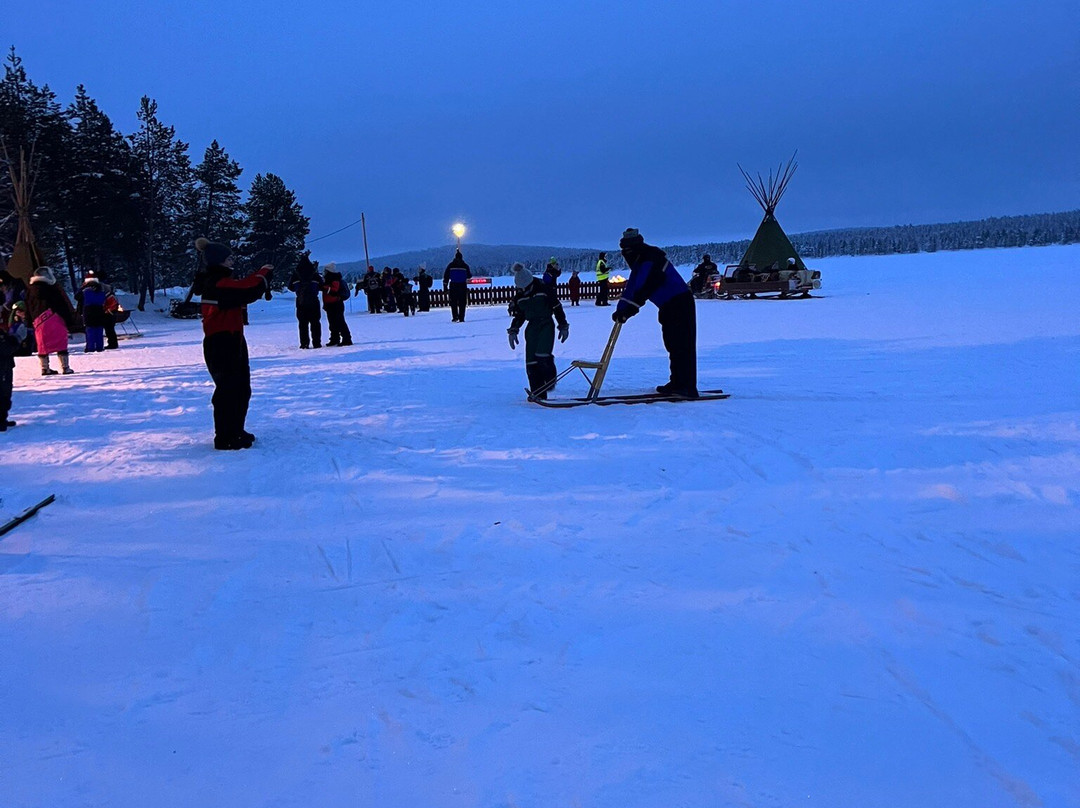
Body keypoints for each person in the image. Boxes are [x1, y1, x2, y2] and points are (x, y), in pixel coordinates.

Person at [192, 238, 272, 450]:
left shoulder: (219, 281)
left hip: (232, 339)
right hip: (221, 342)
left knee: (241, 388)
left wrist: (261, 275)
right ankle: (225, 436)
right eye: (228, 258)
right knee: (229, 389)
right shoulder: (217, 283)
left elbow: (244, 286)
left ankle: (235, 430)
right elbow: (247, 289)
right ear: (218, 261)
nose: (232, 261)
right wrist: (263, 274)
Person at [613, 228, 698, 398]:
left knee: (682, 345)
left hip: (679, 302)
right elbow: (632, 288)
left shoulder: (650, 259)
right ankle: (677, 382)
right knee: (672, 344)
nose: (626, 255)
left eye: (627, 251)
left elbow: (645, 287)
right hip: (667, 306)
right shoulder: (640, 261)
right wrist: (621, 309)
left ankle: (687, 386)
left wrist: (630, 309)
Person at [507, 262, 569, 400]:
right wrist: (513, 330)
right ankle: (538, 392)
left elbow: (557, 307)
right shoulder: (519, 296)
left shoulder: (543, 288)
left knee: (542, 355)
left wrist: (563, 325)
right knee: (531, 362)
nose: (524, 291)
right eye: (521, 288)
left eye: (526, 287)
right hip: (532, 328)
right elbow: (520, 315)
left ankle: (550, 381)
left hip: (546, 324)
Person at [26, 266, 78, 376]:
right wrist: (69, 321)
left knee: (42, 344)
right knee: (61, 342)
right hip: (55, 318)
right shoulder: (53, 289)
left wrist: (29, 321)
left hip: (38, 321)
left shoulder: (30, 291)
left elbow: (28, 307)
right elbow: (62, 305)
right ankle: (65, 367)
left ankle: (45, 368)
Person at [288, 253, 323, 348]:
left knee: (303, 324)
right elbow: (322, 286)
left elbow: (290, 287)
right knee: (315, 323)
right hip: (314, 301)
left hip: (301, 302)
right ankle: (317, 343)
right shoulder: (314, 274)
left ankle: (304, 344)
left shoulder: (296, 274)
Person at [321, 263, 353, 346]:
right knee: (332, 322)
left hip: (335, 303)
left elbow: (334, 290)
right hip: (330, 304)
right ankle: (335, 338)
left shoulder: (334, 279)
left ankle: (346, 338)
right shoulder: (330, 279)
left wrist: (324, 287)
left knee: (339, 322)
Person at [76, 273, 108, 352]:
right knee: (99, 330)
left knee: (90, 330)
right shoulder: (101, 290)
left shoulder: (85, 291)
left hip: (88, 311)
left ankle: (90, 347)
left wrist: (82, 287)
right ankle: (100, 347)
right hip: (100, 310)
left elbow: (77, 297)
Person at [443, 249, 472, 322]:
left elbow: (446, 276)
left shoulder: (451, 265)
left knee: (454, 302)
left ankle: (455, 317)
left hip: (453, 285)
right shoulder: (465, 265)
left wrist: (445, 286)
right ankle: (461, 317)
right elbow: (469, 275)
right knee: (462, 302)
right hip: (462, 285)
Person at [102, 284, 120, 349]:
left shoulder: (110, 296)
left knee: (110, 329)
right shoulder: (109, 295)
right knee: (109, 330)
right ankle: (112, 343)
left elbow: (113, 305)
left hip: (110, 314)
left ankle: (113, 344)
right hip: (110, 313)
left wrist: (107, 311)